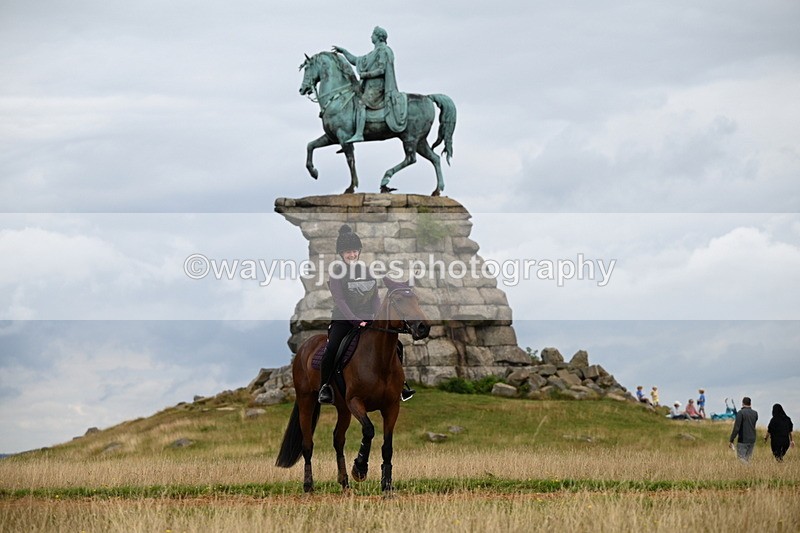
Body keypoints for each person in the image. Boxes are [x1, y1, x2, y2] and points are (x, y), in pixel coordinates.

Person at [318, 224, 414, 404]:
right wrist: (355, 320)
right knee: (331, 350)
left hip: (368, 318)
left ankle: (400, 385)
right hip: (344, 320)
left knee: (397, 345)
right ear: (341, 254)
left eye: (354, 251)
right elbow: (340, 301)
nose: (352, 255)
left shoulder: (367, 270)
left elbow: (375, 296)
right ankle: (325, 388)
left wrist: (378, 316)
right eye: (348, 252)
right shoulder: (336, 273)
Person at [333, 26, 407, 143]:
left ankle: (359, 134)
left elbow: (381, 70)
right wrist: (344, 52)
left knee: (361, 103)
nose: (371, 36)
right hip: (369, 87)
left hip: (378, 88)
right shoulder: (373, 53)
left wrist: (366, 75)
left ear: (378, 37)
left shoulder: (383, 51)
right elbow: (356, 60)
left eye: (373, 34)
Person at [728, 396, 758, 463]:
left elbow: (736, 428)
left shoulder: (740, 413)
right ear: (750, 403)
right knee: (748, 459)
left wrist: (731, 439)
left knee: (741, 458)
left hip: (743, 439)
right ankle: (749, 471)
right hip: (752, 439)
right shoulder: (755, 413)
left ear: (743, 403)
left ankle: (749, 468)